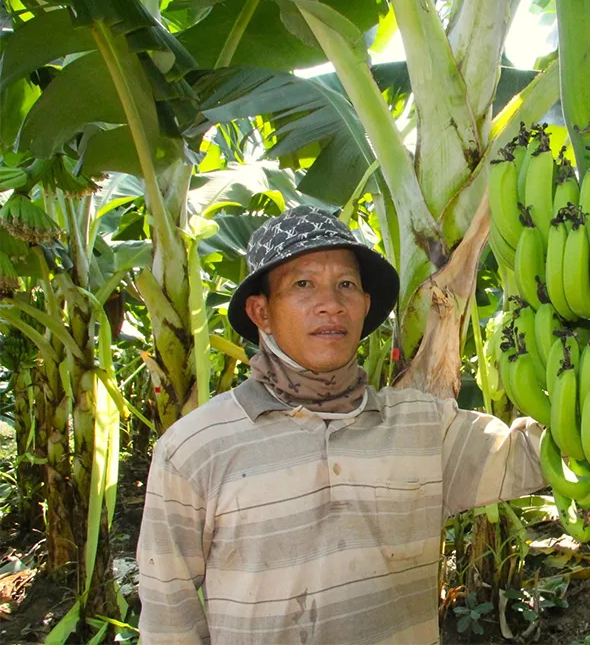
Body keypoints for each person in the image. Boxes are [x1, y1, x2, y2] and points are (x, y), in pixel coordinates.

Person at [137, 205, 546, 644]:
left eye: (346, 285)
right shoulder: (195, 447)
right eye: (303, 284)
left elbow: (536, 458)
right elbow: (168, 619)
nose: (331, 305)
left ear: (366, 306)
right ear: (261, 312)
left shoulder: (423, 427)